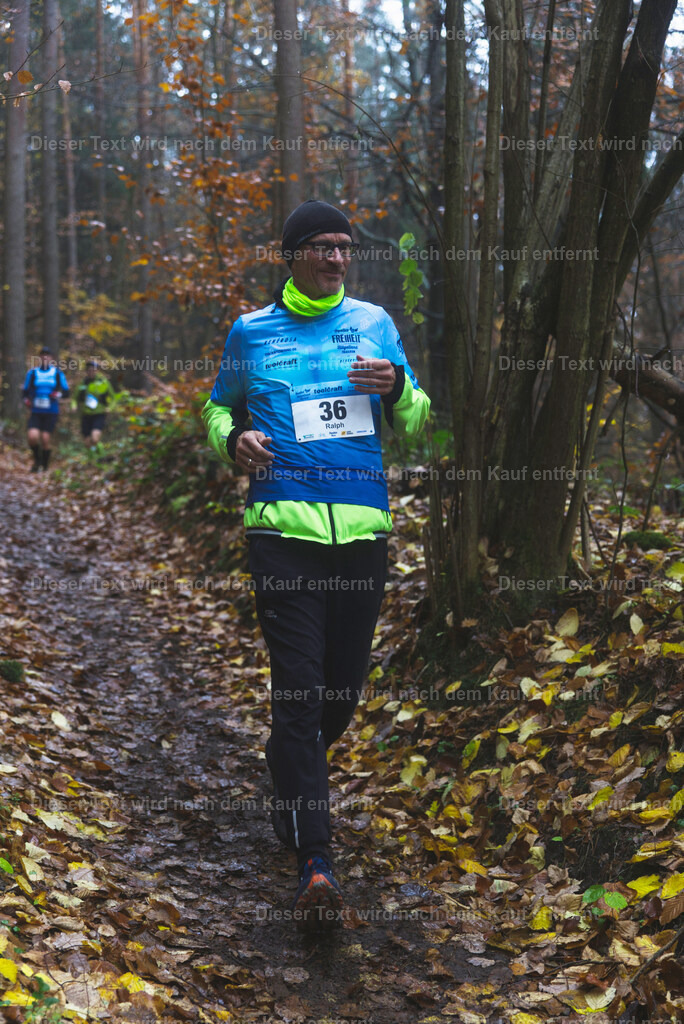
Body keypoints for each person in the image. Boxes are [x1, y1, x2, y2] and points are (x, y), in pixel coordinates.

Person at [202, 199, 430, 929]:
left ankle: (288, 769)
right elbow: (216, 408)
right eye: (323, 247)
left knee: (340, 698)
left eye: (345, 247)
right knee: (300, 692)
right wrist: (233, 437)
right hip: (282, 534)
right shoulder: (253, 332)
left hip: (362, 535)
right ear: (292, 254)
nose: (337, 258)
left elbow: (419, 416)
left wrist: (398, 390)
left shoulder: (373, 324)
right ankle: (316, 863)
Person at [22, 347, 69, 472]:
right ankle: (37, 460)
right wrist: (26, 400)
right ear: (39, 358)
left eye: (47, 356)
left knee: (45, 438)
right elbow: (25, 391)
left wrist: (57, 395)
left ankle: (45, 465)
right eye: (42, 356)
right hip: (36, 410)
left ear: (51, 358)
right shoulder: (32, 373)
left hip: (51, 410)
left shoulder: (57, 373)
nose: (45, 358)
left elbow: (66, 392)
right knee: (32, 437)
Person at [75, 359, 117, 447]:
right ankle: (92, 458)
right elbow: (74, 398)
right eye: (89, 370)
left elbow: (113, 398)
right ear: (86, 371)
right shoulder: (83, 383)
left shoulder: (103, 382)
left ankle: (100, 454)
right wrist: (74, 406)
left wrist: (110, 408)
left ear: (97, 370)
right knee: (87, 442)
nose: (91, 372)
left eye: (93, 370)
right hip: (86, 415)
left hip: (99, 414)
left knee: (94, 438)